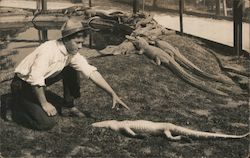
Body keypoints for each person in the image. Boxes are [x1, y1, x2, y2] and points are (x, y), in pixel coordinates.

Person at [10, 17, 129, 131]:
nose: (80, 47)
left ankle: (69, 106)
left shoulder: (71, 53)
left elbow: (91, 72)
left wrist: (112, 94)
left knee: (71, 68)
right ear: (66, 39)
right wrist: (45, 104)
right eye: (77, 42)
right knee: (46, 124)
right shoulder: (48, 50)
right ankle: (14, 108)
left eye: (82, 43)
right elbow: (35, 79)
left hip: (42, 80)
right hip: (22, 84)